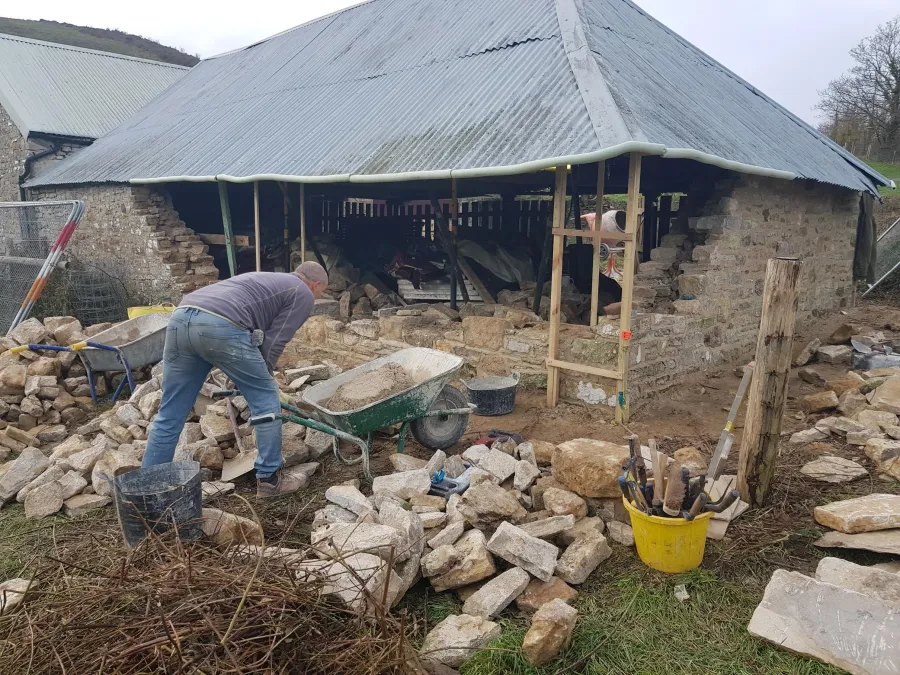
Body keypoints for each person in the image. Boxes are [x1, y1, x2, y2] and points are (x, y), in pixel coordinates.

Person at [141, 261, 329, 498]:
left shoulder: (265, 279)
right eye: (321, 292)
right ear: (316, 284)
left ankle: (148, 492)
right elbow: (275, 341)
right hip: (220, 325)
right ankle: (270, 481)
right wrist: (264, 377)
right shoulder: (302, 292)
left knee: (170, 413)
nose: (318, 296)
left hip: (181, 318)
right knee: (265, 399)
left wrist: (243, 373)